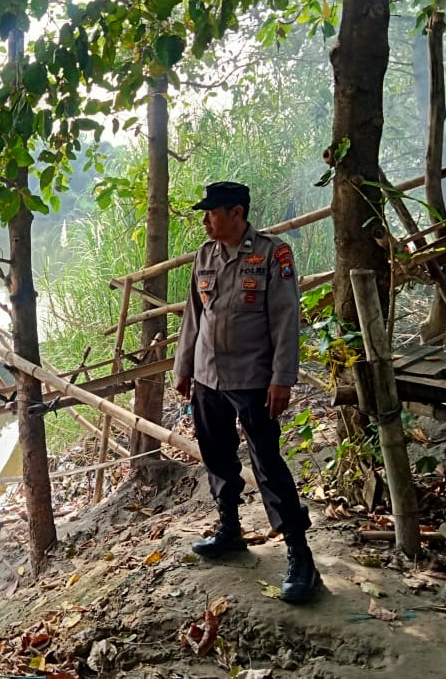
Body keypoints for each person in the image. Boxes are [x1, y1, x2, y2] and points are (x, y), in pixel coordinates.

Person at [174, 181, 319, 604]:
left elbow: (286, 319)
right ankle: (230, 530)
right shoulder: (205, 255)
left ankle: (299, 554)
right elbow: (192, 316)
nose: (205, 220)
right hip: (208, 377)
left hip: (254, 378)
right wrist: (184, 368)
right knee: (217, 456)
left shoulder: (273, 254)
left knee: (267, 462)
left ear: (236, 213)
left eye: (212, 212)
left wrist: (282, 378)